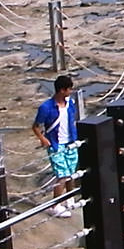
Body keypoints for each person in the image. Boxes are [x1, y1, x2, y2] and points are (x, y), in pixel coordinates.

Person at [33, 74, 83, 214]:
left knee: (71, 172)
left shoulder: (70, 104)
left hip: (70, 142)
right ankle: (55, 205)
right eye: (69, 89)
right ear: (62, 90)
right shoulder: (46, 107)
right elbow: (36, 126)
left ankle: (69, 198)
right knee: (62, 174)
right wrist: (43, 139)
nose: (70, 92)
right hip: (55, 144)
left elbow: (71, 120)